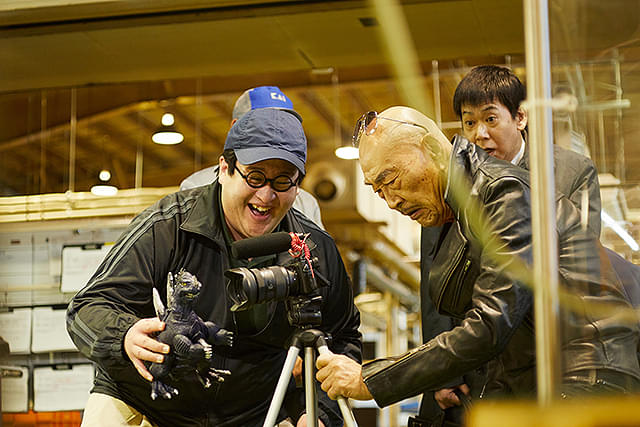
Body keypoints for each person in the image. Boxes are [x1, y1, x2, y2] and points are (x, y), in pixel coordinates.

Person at [315, 106, 640, 410]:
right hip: (553, 380)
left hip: (589, 378)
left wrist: (369, 379)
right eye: (378, 190)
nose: (390, 201)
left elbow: (491, 323)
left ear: (430, 149)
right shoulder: (459, 210)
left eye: (390, 180)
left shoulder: (502, 193)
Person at [67, 107, 362, 427]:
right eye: (255, 177)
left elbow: (342, 337)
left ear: (297, 186)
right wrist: (124, 335)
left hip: (252, 412)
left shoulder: (313, 248)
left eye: (282, 181)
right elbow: (88, 306)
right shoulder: (168, 225)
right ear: (225, 169)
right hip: (148, 400)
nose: (266, 195)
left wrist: (318, 413)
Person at [417, 64, 603, 426]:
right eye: (468, 123)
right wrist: (441, 372)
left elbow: (581, 263)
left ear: (520, 117)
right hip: (473, 368)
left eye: (490, 119)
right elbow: (433, 279)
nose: (479, 135)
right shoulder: (453, 183)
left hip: (547, 361)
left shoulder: (570, 171)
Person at [180, 85, 325, 230]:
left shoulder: (306, 203)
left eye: (287, 123)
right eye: (262, 122)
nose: (278, 130)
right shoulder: (196, 187)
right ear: (235, 127)